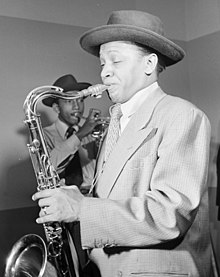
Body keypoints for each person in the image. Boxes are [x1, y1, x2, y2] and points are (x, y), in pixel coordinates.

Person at [33, 10, 214, 277]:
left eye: (115, 61)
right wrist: (73, 198)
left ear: (149, 64)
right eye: (102, 63)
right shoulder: (116, 119)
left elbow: (169, 215)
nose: (105, 73)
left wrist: (81, 208)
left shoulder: (183, 115)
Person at [42, 74, 99, 193]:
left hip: (91, 198)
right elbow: (49, 168)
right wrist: (80, 134)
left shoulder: (90, 133)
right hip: (62, 200)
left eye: (80, 100)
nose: (77, 107)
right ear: (57, 108)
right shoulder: (44, 135)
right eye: (69, 101)